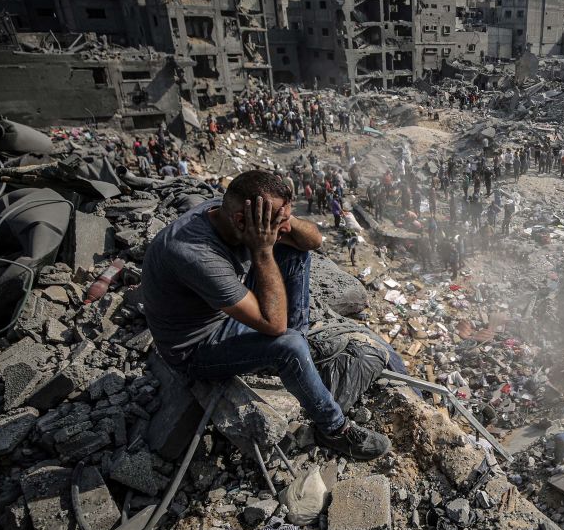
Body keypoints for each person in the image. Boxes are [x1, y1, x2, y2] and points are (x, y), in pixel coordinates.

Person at [141, 170, 393, 461]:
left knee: (296, 252)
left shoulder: (232, 213)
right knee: (288, 346)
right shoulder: (195, 253)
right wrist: (262, 249)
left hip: (222, 310)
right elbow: (275, 326)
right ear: (242, 221)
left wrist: (287, 220)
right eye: (275, 223)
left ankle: (296, 357)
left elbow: (313, 241)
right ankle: (334, 429)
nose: (281, 229)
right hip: (195, 347)